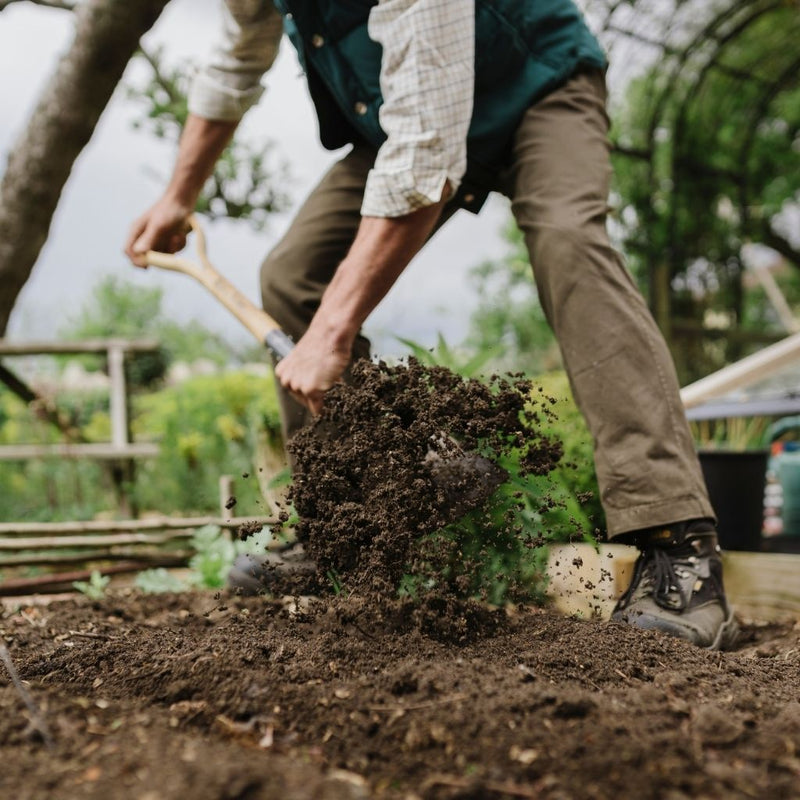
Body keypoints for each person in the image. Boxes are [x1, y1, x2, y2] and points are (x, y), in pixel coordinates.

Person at [125, 0, 738, 650]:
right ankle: (344, 537)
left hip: (534, 83)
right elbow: (234, 60)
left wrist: (333, 333)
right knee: (293, 276)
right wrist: (177, 195)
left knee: (569, 245)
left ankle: (680, 553)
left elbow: (424, 159)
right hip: (413, 112)